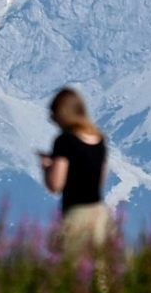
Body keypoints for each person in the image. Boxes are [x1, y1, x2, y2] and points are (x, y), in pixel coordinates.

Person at [41, 87, 112, 255]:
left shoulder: (64, 141)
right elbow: (101, 181)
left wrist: (46, 167)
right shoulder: (99, 140)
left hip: (76, 214)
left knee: (73, 271)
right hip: (100, 214)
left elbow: (56, 184)